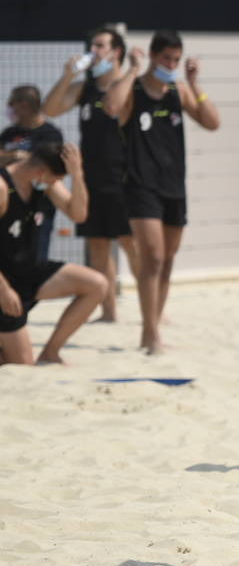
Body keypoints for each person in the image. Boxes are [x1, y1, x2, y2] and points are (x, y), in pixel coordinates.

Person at [105, 30, 220, 354]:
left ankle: (154, 322)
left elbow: (212, 122)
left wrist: (194, 84)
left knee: (167, 260)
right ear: (154, 56)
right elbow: (111, 106)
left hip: (173, 185)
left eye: (176, 59)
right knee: (152, 257)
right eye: (167, 58)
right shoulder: (134, 90)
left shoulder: (178, 90)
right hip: (141, 185)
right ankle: (150, 331)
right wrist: (132, 69)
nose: (171, 64)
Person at [42, 27, 144, 322]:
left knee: (130, 243)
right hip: (92, 178)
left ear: (116, 52)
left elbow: (120, 105)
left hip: (124, 177)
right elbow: (50, 109)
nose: (93, 50)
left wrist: (131, 71)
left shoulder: (130, 86)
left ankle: (152, 308)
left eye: (100, 45)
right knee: (98, 245)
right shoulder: (85, 89)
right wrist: (67, 75)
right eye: (92, 45)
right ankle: (108, 312)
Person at [0, 143, 109, 365]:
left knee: (97, 284)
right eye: (55, 179)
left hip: (29, 273)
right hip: (3, 282)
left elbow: (78, 214)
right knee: (21, 365)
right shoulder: (3, 187)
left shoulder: (43, 185)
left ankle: (51, 352)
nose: (56, 184)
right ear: (41, 172)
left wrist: (77, 175)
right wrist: (3, 289)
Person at [0, 85, 65, 263]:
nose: (9, 107)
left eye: (12, 103)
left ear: (24, 104)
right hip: (11, 202)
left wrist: (16, 159)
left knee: (35, 258)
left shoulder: (50, 134)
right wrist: (14, 155)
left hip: (40, 205)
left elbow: (44, 165)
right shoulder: (9, 133)